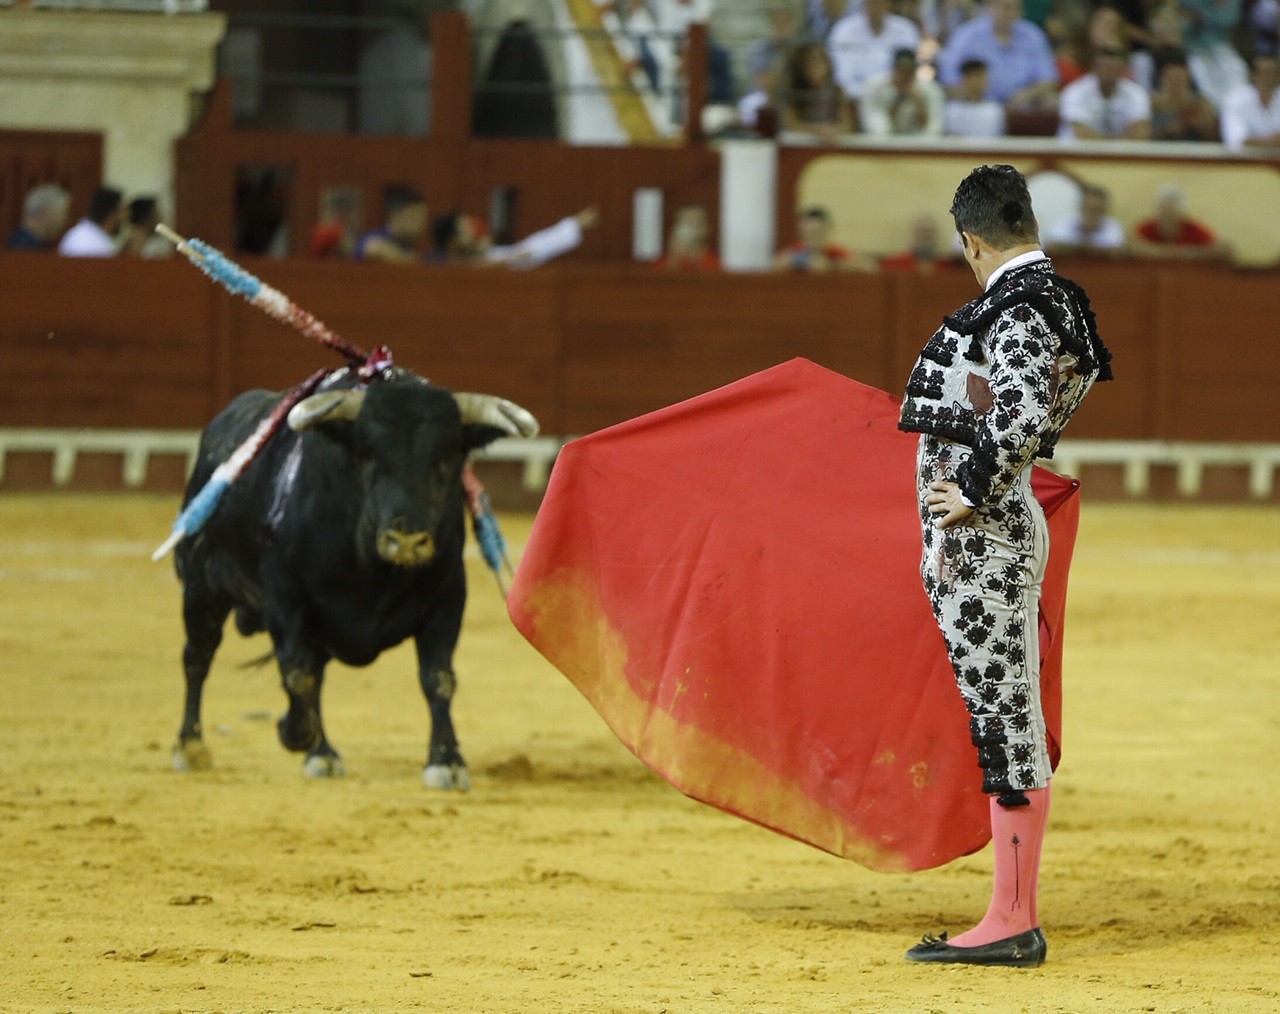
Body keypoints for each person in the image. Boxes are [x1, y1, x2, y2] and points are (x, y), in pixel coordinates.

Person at [898, 163, 1112, 967]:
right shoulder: (1053, 300)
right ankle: (1008, 909)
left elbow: (1019, 409)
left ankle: (1012, 918)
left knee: (1005, 724)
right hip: (987, 538)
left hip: (985, 542)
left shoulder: (1018, 304)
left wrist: (977, 486)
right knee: (1000, 717)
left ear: (974, 241)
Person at [936, 0, 1059, 110]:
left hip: (1021, 106)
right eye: (1001, 6)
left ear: (1021, 10)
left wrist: (1025, 95)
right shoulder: (966, 35)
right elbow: (948, 79)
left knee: (1052, 102)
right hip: (977, 104)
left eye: (1011, 7)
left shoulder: (1033, 35)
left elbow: (1049, 80)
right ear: (989, 6)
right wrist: (974, 94)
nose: (1005, 12)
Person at [431, 206, 599, 268]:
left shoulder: (491, 256)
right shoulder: (437, 269)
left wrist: (573, 225)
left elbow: (531, 249)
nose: (474, 235)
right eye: (465, 232)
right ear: (452, 243)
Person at [827, 0, 922, 103]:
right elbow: (842, 75)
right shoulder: (844, 30)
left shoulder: (906, 29)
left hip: (896, 92)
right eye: (872, 2)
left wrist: (893, 91)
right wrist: (862, 93)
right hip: (856, 95)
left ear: (889, 4)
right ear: (863, 4)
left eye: (880, 2)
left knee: (928, 91)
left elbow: (909, 66)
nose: (876, 6)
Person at [1056, 45, 1152, 140]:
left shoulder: (1137, 93)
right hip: (1075, 153)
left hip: (1122, 153)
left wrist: (1114, 148)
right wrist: (1118, 145)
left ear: (1123, 68)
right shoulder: (1074, 92)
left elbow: (1140, 134)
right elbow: (1082, 135)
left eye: (1113, 68)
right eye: (1105, 68)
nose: (1109, 72)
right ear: (1094, 67)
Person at [1130, 185, 1233, 261]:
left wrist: (1156, 253)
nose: (1165, 215)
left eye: (1170, 211)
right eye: (1161, 210)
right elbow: (1131, 246)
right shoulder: (1146, 227)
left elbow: (1225, 249)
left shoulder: (1194, 229)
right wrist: (1183, 254)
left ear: (1182, 213)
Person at [861, 48, 946, 135]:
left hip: (917, 144)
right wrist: (899, 99)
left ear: (914, 70)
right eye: (901, 70)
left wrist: (917, 101)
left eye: (909, 70)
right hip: (886, 144)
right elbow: (877, 129)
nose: (905, 75)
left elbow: (935, 129)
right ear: (893, 69)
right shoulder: (874, 87)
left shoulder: (931, 90)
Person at [1180, 0, 1248, 109]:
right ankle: (1217, 114)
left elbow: (1231, 18)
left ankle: (1235, 112)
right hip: (1194, 49)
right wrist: (1213, 11)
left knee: (1238, 69)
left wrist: (1201, 16)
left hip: (1221, 47)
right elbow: (1183, 21)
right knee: (1204, 78)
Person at [782, 43, 857, 138]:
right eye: (808, 63)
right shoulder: (796, 93)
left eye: (817, 61)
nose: (813, 68)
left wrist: (834, 131)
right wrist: (817, 130)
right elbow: (789, 124)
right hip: (803, 144)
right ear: (800, 67)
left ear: (828, 64)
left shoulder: (837, 91)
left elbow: (848, 124)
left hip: (832, 143)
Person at [773, 205, 869, 272]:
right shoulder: (795, 251)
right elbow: (779, 263)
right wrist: (804, 263)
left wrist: (831, 266)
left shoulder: (836, 253)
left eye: (817, 232)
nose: (812, 237)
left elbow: (863, 266)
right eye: (807, 232)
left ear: (827, 231)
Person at [1149, 53, 1220, 141]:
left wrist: (1202, 126)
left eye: (1179, 79)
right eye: (1172, 79)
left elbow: (1215, 137)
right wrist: (1169, 130)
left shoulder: (1201, 104)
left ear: (1188, 77)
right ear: (1162, 78)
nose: (1176, 84)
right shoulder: (1151, 104)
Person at [1043, 184, 1127, 256]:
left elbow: (1118, 252)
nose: (1091, 213)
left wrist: (1078, 247)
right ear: (1081, 207)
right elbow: (1052, 248)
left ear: (1104, 210)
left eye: (1096, 209)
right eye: (1088, 208)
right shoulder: (1065, 223)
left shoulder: (1112, 225)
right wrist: (1089, 247)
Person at [1220, 53, 1280, 150]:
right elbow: (1236, 140)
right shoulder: (1235, 100)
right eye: (1265, 73)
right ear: (1253, 76)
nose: (1269, 79)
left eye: (1273, 74)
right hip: (1245, 162)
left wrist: (1256, 141)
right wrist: (1272, 142)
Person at [354, 184, 428, 263]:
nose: (420, 224)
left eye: (423, 218)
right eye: (415, 217)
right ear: (395, 215)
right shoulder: (371, 239)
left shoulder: (407, 244)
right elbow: (372, 249)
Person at [944, 59, 1008, 136]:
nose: (982, 81)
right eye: (977, 76)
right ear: (965, 79)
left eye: (984, 76)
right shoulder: (952, 110)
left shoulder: (995, 110)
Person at [57, 186, 124, 257]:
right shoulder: (87, 243)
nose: (125, 217)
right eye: (122, 211)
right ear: (112, 214)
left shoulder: (94, 238)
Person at [4, 183, 69, 251]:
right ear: (45, 212)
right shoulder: (22, 249)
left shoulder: (41, 244)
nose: (66, 218)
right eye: (63, 212)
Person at [656, 203, 720, 271]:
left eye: (694, 222)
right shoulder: (662, 264)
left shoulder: (714, 265)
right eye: (683, 222)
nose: (687, 229)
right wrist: (673, 259)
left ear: (707, 228)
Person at [878, 214, 953, 272]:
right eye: (921, 232)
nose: (924, 237)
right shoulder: (895, 265)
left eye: (928, 233)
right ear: (913, 234)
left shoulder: (947, 267)